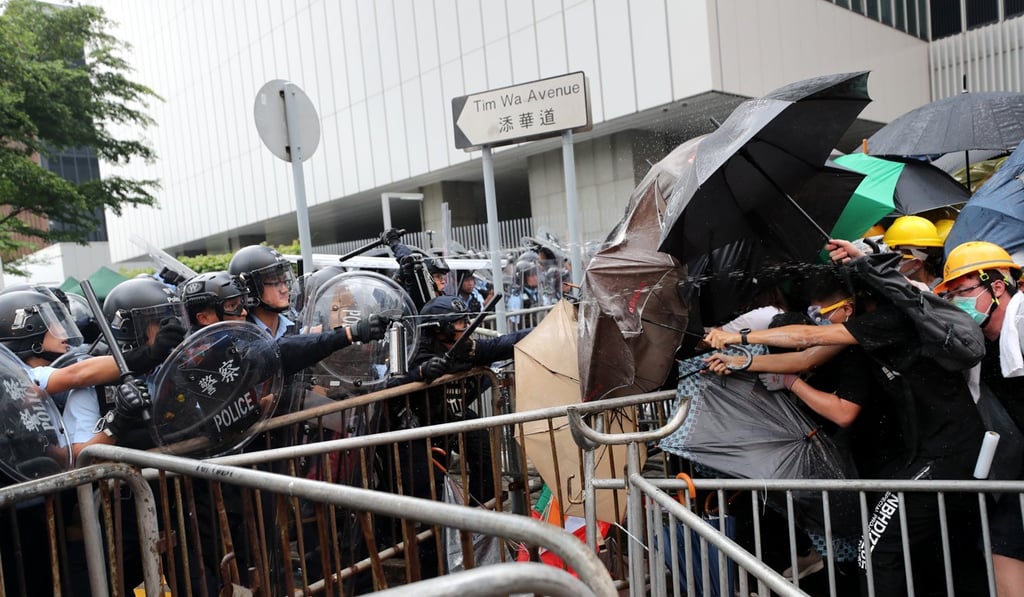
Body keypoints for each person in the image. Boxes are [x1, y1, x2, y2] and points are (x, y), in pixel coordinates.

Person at [705, 239, 987, 596]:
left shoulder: (891, 318)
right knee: (928, 550)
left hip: (948, 451)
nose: (818, 316)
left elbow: (807, 337)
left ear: (853, 301)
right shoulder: (870, 326)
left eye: (826, 308)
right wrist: (741, 361)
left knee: (875, 549)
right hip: (928, 451)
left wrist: (737, 337)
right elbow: (807, 358)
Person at [380, 295, 529, 580]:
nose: (466, 326)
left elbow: (504, 344)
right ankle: (432, 577)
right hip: (412, 436)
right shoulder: (412, 351)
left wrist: (550, 326)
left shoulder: (464, 348)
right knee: (429, 509)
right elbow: (387, 385)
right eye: (459, 322)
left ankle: (478, 523)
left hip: (449, 424)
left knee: (482, 446)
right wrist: (419, 374)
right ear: (439, 328)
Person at [936, 240, 1024, 596]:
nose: (958, 301)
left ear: (997, 287)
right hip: (1012, 479)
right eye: (951, 295)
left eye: (963, 291)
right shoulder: (977, 346)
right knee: (1003, 548)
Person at [228, 245, 298, 339]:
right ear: (250, 288)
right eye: (275, 283)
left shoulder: (297, 324)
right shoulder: (240, 335)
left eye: (285, 281)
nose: (284, 290)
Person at [381, 228, 450, 310]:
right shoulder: (421, 297)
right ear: (428, 278)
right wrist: (394, 243)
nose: (443, 281)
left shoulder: (443, 297)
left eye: (443, 277)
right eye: (438, 276)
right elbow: (410, 260)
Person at [881, 215, 945, 290]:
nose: (889, 262)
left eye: (896, 257)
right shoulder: (894, 287)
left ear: (917, 263)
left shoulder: (943, 292)